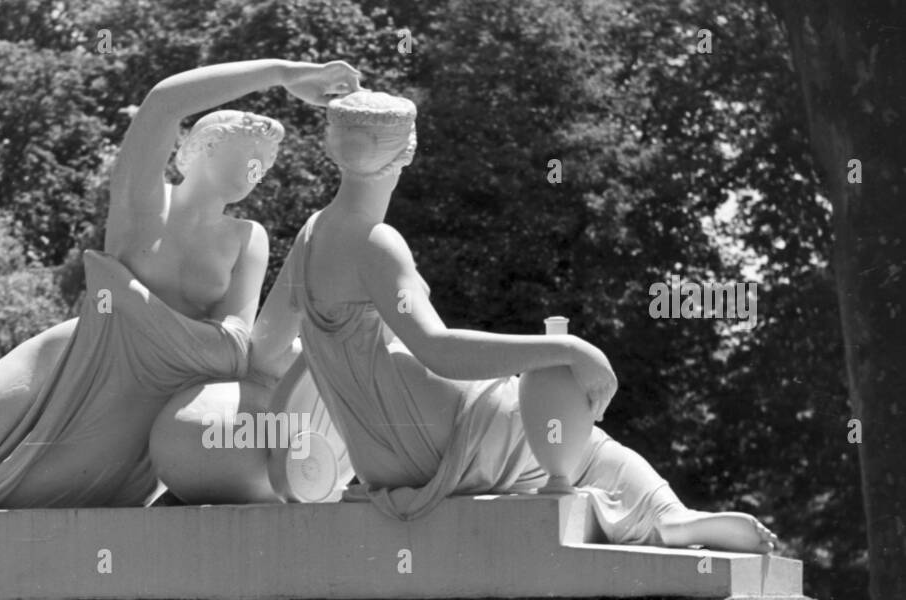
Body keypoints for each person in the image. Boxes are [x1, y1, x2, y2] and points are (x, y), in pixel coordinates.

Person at [0, 59, 363, 592]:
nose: (257, 170)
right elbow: (163, 102)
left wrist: (132, 302)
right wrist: (287, 73)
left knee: (39, 501)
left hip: (139, 411)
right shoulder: (141, 206)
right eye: (246, 156)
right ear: (198, 150)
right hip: (71, 364)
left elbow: (234, 343)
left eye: (266, 165)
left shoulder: (246, 238)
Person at [246, 90, 777, 552]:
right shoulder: (377, 242)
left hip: (382, 459)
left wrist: (339, 373)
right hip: (444, 439)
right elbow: (438, 348)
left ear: (332, 146)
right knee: (581, 434)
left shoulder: (314, 233)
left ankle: (661, 517)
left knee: (557, 435)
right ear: (405, 153)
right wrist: (568, 350)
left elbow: (267, 347)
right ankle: (668, 516)